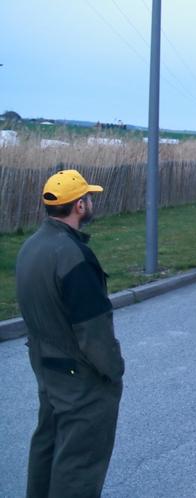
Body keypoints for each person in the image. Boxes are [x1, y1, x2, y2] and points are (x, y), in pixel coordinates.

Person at [16, 169, 125, 498]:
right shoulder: (72, 256)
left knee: (47, 444)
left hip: (47, 368)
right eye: (87, 198)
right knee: (79, 460)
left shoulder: (32, 247)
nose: (90, 202)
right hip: (80, 377)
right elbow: (93, 329)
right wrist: (113, 370)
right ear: (79, 206)